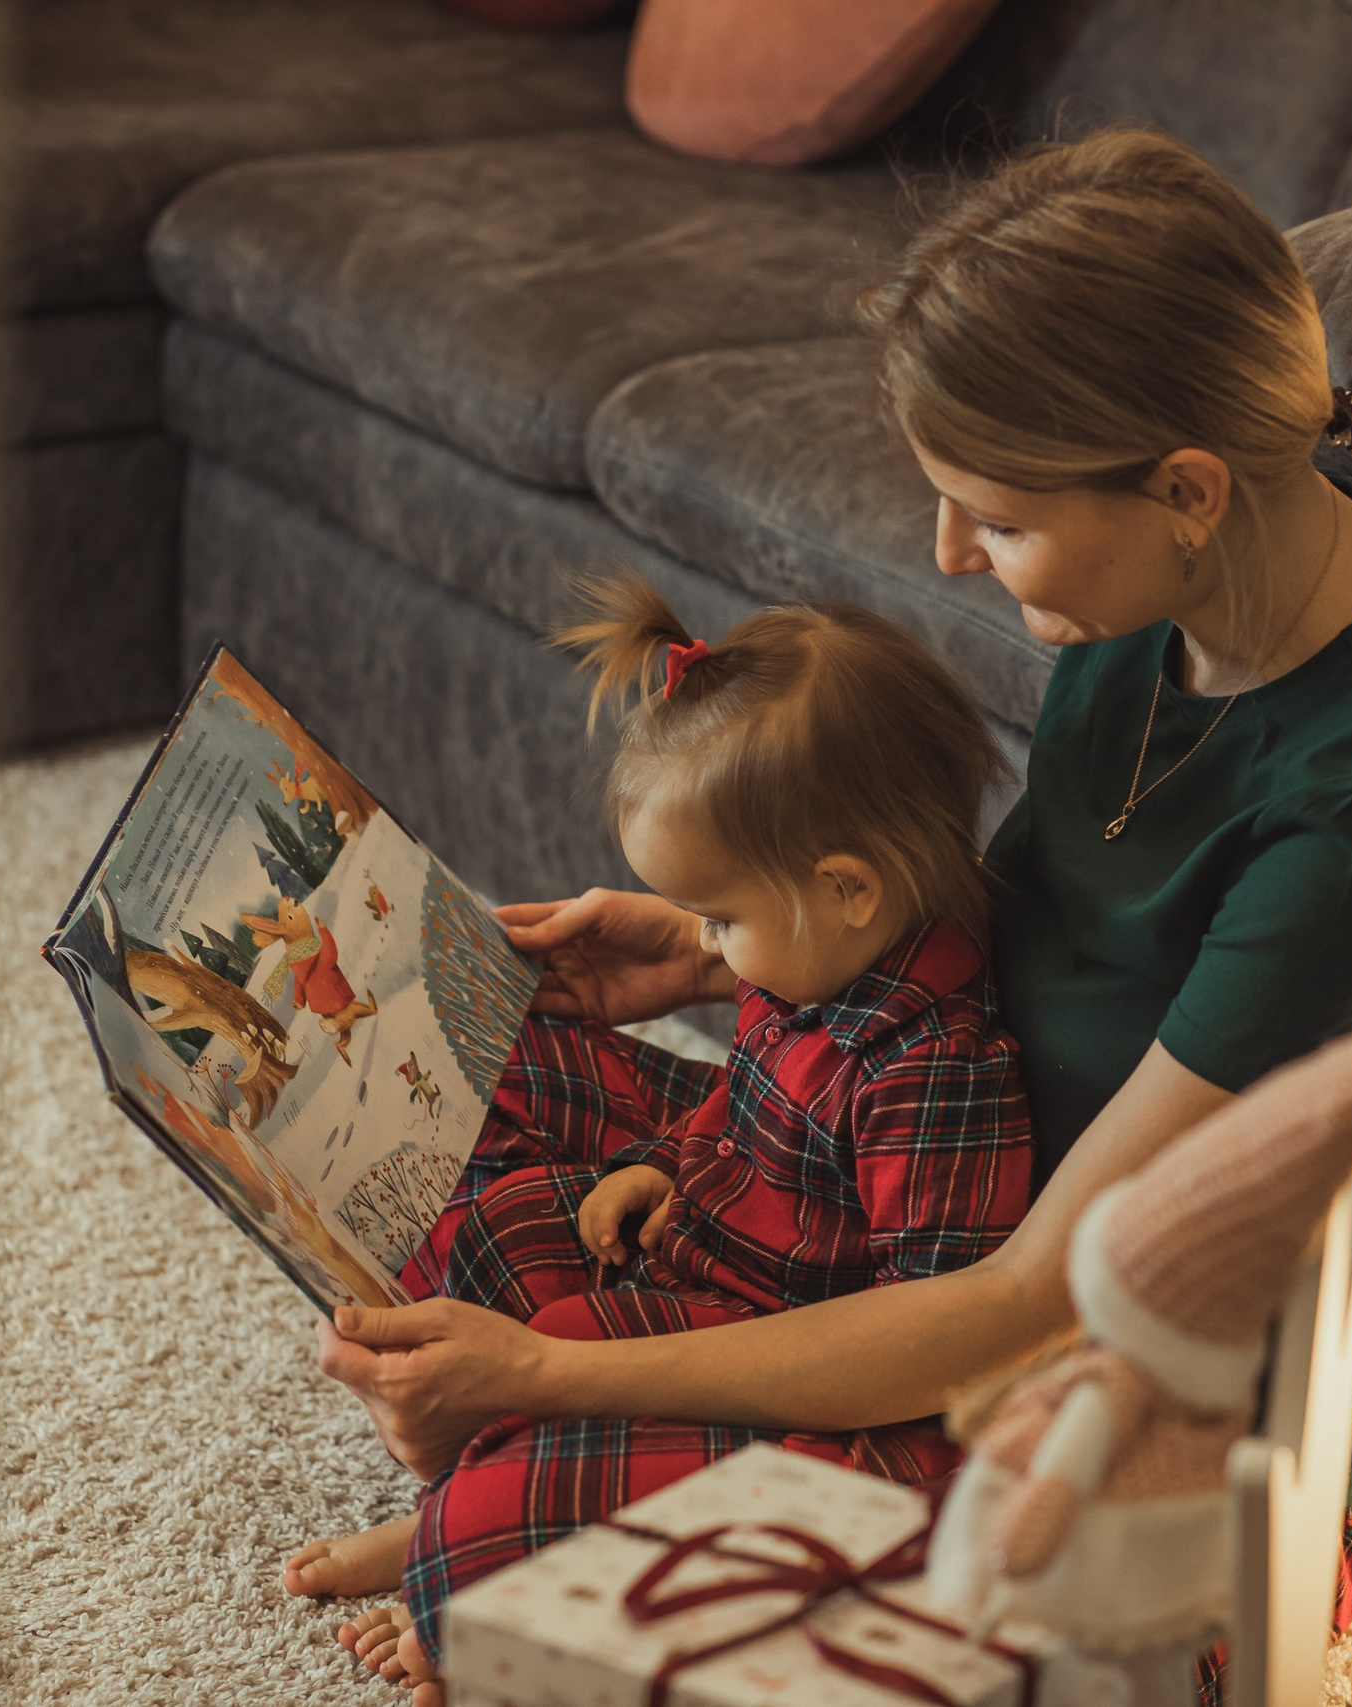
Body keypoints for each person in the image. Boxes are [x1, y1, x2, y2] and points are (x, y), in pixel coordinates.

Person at [298, 128, 1352, 1707]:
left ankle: (502, 1516)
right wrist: (706, 941)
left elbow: (1016, 1309)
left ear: (1186, 491)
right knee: (467, 1056)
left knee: (500, 1526)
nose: (952, 553)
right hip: (913, 1168)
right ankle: (529, 1498)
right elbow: (1006, 918)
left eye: (997, 517)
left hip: (1134, 1417)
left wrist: (551, 1373)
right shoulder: (1162, 599)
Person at [304, 578, 1034, 1686]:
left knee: (481, 1551)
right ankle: (478, 1491)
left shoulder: (937, 1071)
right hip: (703, 1272)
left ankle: (454, 1528)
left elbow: (931, 1358)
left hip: (816, 1383)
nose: (705, 947)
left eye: (720, 919)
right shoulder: (811, 963)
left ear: (845, 888)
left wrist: (586, 1374)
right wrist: (656, 1161)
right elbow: (740, 1097)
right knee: (488, 1226)